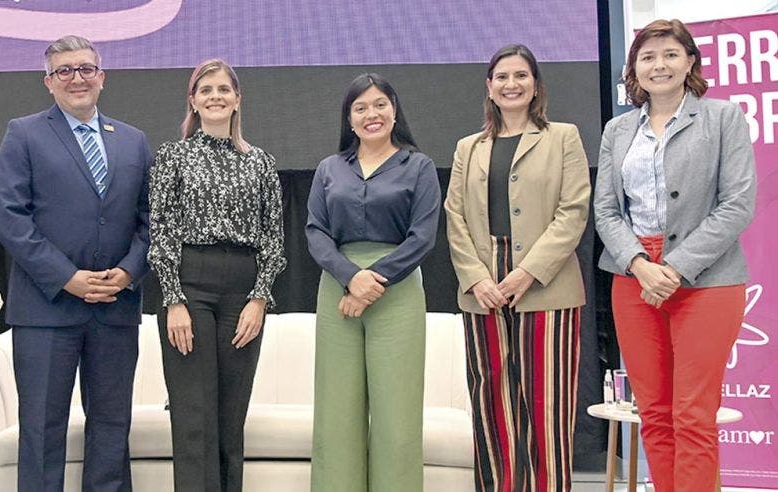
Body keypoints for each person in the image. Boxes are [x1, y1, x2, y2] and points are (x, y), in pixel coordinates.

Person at [594, 19, 755, 492]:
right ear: (634, 69)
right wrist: (640, 264)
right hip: (632, 275)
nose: (658, 64)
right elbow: (606, 210)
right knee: (656, 415)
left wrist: (677, 266)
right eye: (647, 57)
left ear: (689, 62)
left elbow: (738, 204)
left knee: (693, 414)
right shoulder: (617, 129)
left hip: (709, 278)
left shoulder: (724, 118)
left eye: (669, 54)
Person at [0, 35, 152, 491]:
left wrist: (128, 272)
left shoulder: (134, 141)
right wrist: (67, 278)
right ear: (48, 82)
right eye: (64, 70)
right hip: (46, 310)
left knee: (111, 429)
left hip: (115, 309)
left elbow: (150, 220)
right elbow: (10, 218)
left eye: (85, 69)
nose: (76, 78)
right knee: (42, 432)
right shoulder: (23, 133)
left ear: (101, 77)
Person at [445, 44, 590, 491]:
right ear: (489, 87)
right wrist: (477, 278)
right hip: (484, 286)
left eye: (521, 76)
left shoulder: (563, 136)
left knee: (547, 404)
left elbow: (574, 210)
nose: (512, 84)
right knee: (492, 402)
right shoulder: (468, 147)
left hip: (546, 283)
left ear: (535, 85)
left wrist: (527, 272)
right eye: (502, 77)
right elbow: (455, 216)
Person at [148, 58, 286, 492]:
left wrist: (259, 298)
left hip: (243, 290)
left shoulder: (261, 162)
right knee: (193, 417)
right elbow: (161, 230)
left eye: (223, 89)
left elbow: (274, 238)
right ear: (193, 100)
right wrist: (173, 300)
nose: (215, 97)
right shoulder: (173, 156)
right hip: (189, 285)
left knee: (231, 415)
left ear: (237, 98)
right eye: (205, 90)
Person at [306, 73, 440, 492]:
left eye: (380, 104)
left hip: (397, 291)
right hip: (337, 288)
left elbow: (423, 236)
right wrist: (350, 278)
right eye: (360, 107)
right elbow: (315, 231)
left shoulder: (418, 166)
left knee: (395, 417)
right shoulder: (330, 168)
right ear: (349, 118)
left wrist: (373, 280)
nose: (371, 114)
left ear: (394, 110)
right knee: (336, 416)